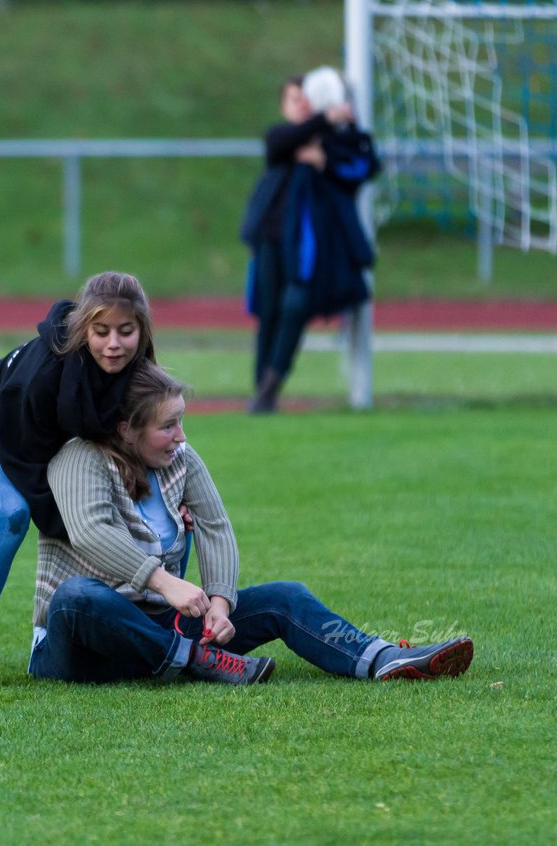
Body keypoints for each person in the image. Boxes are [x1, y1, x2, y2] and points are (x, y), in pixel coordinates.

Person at [28, 361, 473, 685]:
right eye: (168, 426)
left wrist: (220, 603)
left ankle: (381, 659)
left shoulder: (178, 460)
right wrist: (165, 583)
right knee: (77, 597)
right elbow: (89, 531)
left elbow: (215, 525)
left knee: (285, 596)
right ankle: (198, 661)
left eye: (181, 421)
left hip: (162, 628)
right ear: (126, 429)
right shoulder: (79, 458)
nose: (181, 435)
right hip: (81, 649)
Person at [0, 271, 157, 687]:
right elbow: (20, 455)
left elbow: (150, 436)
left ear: (142, 331)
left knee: (135, 509)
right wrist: (74, 523)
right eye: (102, 331)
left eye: (126, 332)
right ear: (82, 329)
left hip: (43, 451)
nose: (114, 344)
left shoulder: (137, 368)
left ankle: (151, 627)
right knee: (10, 512)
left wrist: (167, 497)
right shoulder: (42, 373)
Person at [239, 67, 382, 414]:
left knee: (294, 305)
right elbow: (278, 143)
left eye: (308, 98)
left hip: (313, 249)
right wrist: (322, 122)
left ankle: (271, 383)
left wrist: (327, 155)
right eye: (294, 99)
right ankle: (263, 392)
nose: (302, 104)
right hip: (272, 240)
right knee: (269, 312)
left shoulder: (333, 141)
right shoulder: (285, 139)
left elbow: (365, 164)